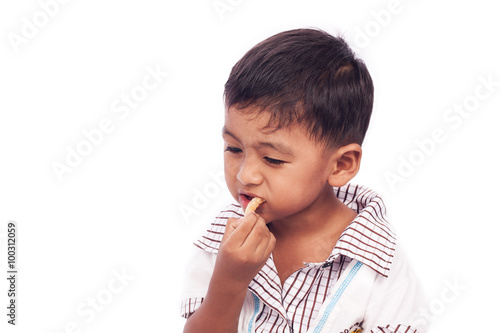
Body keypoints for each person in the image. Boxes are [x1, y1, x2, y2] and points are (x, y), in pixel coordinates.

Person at [181, 28, 426, 333]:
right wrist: (227, 284)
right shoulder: (222, 241)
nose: (245, 175)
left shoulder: (380, 264)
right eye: (234, 148)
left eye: (273, 159)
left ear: (341, 164)